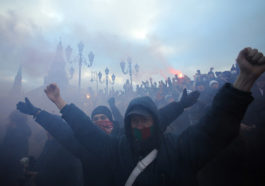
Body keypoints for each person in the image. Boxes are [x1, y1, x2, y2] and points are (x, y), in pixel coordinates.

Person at [43, 47, 265, 185]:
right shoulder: (117, 150)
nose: (139, 126)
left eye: (145, 120)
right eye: (134, 121)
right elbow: (86, 130)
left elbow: (212, 130)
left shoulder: (179, 149)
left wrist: (243, 81)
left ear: (155, 122)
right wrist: (59, 102)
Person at [17, 89, 199, 186]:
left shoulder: (124, 139)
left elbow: (155, 120)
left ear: (112, 120)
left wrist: (180, 105)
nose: (99, 122)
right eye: (95, 119)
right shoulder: (85, 146)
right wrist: (38, 113)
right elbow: (63, 129)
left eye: (103, 118)